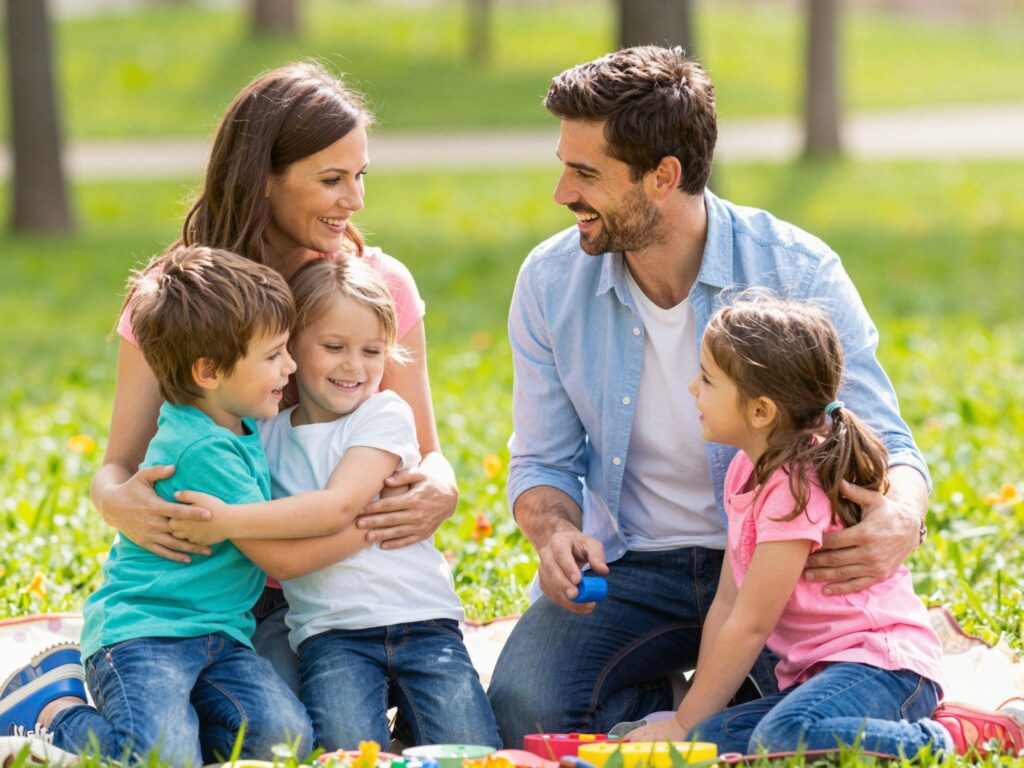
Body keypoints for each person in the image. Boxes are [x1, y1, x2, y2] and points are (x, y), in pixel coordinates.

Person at [487, 45, 933, 747]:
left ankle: (693, 706)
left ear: (663, 177)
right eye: (564, 166)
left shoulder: (797, 271)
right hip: (630, 567)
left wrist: (903, 515)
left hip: (778, 571)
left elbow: (884, 436)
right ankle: (666, 699)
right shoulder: (549, 282)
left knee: (793, 730)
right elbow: (542, 461)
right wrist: (554, 532)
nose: (562, 193)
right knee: (524, 709)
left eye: (586, 173)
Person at [89, 61, 458, 694]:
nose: (355, 200)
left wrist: (442, 487)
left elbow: (427, 452)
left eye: (360, 176)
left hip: (351, 579)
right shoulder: (179, 300)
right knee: (272, 727)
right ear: (262, 178)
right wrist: (113, 501)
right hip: (225, 587)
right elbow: (117, 465)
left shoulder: (377, 285)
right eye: (332, 179)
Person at [166, 257, 500, 751]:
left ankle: (416, 728)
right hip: (330, 633)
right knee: (346, 750)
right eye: (334, 347)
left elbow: (340, 505)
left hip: (423, 623)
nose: (354, 366)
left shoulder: (384, 413)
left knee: (472, 749)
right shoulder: (266, 437)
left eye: (372, 351)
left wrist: (229, 521)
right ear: (291, 349)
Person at [0, 247, 314, 766]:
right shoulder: (202, 449)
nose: (291, 366)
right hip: (144, 634)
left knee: (284, 740)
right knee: (159, 760)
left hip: (220, 634)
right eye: (274, 355)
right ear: (209, 371)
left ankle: (178, 732)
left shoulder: (235, 421)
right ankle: (53, 711)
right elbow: (278, 553)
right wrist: (355, 514)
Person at [623, 294, 956, 757]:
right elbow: (728, 603)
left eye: (707, 379)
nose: (693, 388)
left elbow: (751, 624)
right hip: (821, 677)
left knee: (779, 738)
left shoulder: (794, 487)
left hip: (882, 668)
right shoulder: (745, 469)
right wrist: (691, 722)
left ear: (761, 411)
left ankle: (947, 738)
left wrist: (681, 721)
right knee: (713, 737)